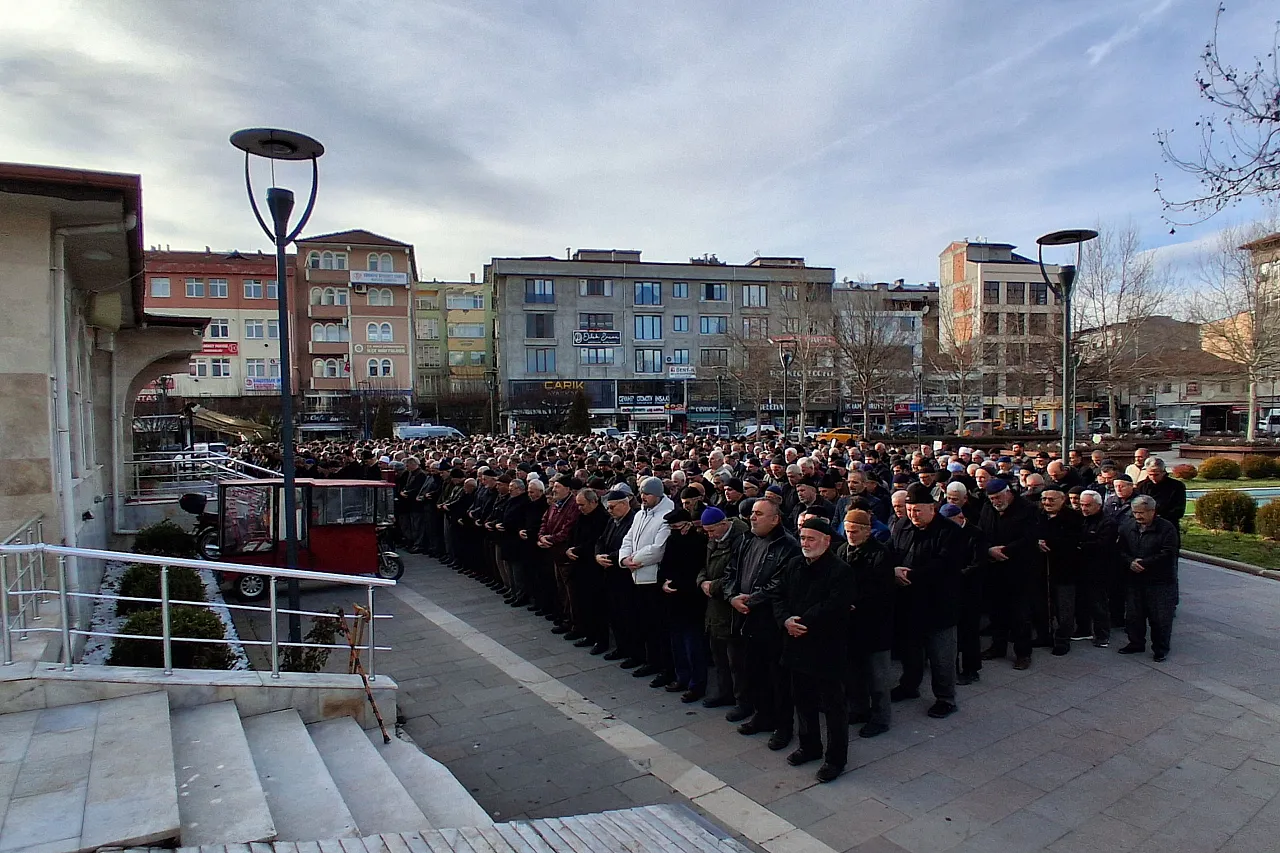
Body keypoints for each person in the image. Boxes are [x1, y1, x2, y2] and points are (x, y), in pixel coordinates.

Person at [771, 516, 855, 783]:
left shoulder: (840, 570)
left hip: (826, 646)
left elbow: (833, 606)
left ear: (826, 541)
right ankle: (809, 746)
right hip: (796, 644)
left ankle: (835, 758)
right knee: (802, 699)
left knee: (833, 706)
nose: (805, 543)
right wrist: (785, 620)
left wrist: (802, 622)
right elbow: (778, 595)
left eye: (811, 539)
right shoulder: (794, 564)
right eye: (803, 538)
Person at [722, 497, 802, 750]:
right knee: (753, 672)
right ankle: (762, 715)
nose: (752, 517)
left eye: (758, 514)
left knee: (778, 677)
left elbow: (779, 583)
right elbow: (731, 571)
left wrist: (752, 600)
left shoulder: (787, 545)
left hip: (770, 621)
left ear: (775, 518)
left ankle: (784, 726)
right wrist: (731, 596)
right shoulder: (746, 539)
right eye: (752, 514)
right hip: (745, 617)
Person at [889, 483, 965, 718]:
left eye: (917, 510)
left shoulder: (949, 532)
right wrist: (892, 570)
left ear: (932, 508)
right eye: (909, 510)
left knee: (941, 656)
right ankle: (909, 685)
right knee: (910, 651)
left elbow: (944, 565)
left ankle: (945, 698)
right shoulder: (901, 526)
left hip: (938, 604)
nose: (913, 515)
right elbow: (891, 552)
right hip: (908, 603)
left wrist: (909, 575)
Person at [837, 508, 894, 738]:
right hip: (851, 625)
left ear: (867, 531)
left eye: (855, 531)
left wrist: (854, 602)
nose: (850, 535)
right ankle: (859, 708)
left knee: (877, 676)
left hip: (874, 624)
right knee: (854, 673)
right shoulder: (842, 550)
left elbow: (880, 590)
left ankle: (881, 718)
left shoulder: (880, 554)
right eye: (848, 530)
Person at [978, 478, 1039, 670]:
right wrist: (988, 550)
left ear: (1008, 493)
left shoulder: (1027, 509)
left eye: (997, 497)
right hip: (994, 568)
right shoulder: (988, 507)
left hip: (1019, 569)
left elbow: (1029, 538)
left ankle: (1023, 653)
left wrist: (1004, 551)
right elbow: (981, 533)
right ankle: (998, 646)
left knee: (1020, 615)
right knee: (997, 612)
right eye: (992, 498)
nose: (995, 502)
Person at [619, 477, 675, 683]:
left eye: (647, 494)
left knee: (658, 626)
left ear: (658, 495)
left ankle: (665, 667)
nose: (643, 497)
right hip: (636, 576)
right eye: (641, 493)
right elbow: (628, 538)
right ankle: (649, 660)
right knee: (644, 623)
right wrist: (624, 559)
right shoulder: (641, 513)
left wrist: (635, 560)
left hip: (652, 578)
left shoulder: (667, 514)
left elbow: (658, 548)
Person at [697, 506, 751, 715]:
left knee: (736, 661)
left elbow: (737, 574)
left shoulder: (740, 540)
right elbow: (705, 566)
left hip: (730, 609)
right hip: (714, 607)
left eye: (712, 531)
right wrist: (702, 581)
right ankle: (724, 692)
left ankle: (743, 701)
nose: (710, 535)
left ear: (723, 524)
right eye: (707, 532)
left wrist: (714, 586)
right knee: (719, 655)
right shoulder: (714, 540)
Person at [1117, 495, 1179, 662]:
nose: (1138, 516)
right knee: (1134, 615)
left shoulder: (1166, 528)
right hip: (1134, 579)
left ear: (1153, 511)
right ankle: (1135, 643)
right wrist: (1130, 562)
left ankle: (1160, 648)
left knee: (1160, 618)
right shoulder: (1128, 526)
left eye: (1142, 513)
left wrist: (1144, 563)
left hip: (1160, 581)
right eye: (1135, 512)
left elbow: (1168, 553)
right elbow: (1120, 549)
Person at [657, 507, 710, 702]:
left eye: (677, 526)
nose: (675, 530)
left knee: (693, 645)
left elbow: (699, 570)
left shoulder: (699, 542)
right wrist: (663, 582)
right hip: (673, 599)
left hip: (691, 599)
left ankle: (697, 684)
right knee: (677, 642)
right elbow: (665, 564)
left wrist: (680, 585)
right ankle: (682, 677)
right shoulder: (672, 539)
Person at [939, 501, 984, 683]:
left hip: (969, 589)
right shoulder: (947, 532)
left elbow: (977, 563)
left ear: (960, 517)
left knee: (969, 631)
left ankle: (971, 668)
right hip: (951, 590)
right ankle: (953, 667)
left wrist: (955, 575)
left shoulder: (976, 534)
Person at [1036, 486, 1082, 656]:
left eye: (1051, 499)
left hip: (1065, 569)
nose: (1047, 503)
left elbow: (1073, 542)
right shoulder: (1038, 516)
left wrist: (1048, 542)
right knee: (1044, 606)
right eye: (1044, 499)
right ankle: (1044, 635)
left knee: (1065, 608)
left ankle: (1063, 639)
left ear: (1063, 500)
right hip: (1042, 569)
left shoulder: (1073, 518)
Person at [596, 490, 640, 666]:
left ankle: (634, 652)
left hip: (624, 575)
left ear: (624, 504)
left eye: (613, 507)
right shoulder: (612, 521)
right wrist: (598, 555)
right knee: (615, 614)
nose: (610, 511)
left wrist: (610, 557)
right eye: (608, 508)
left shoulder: (632, 520)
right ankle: (621, 647)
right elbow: (600, 540)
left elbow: (629, 547)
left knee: (628, 615)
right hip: (610, 574)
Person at [566, 488, 609, 652]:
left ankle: (601, 639)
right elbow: (572, 534)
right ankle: (588, 634)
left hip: (593, 568)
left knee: (597, 606)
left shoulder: (601, 518)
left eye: (582, 505)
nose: (579, 508)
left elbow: (595, 542)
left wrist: (577, 550)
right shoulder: (582, 517)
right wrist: (569, 549)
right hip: (579, 566)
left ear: (593, 502)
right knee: (583, 604)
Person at [1077, 489, 1117, 648]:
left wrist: (1081, 545)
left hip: (1099, 568)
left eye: (1088, 505)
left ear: (1098, 505)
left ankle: (1102, 635)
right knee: (1081, 601)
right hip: (1081, 567)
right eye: (1082, 505)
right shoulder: (1080, 518)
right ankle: (1083, 629)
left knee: (1098, 603)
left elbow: (1102, 545)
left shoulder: (1108, 522)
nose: (1084, 508)